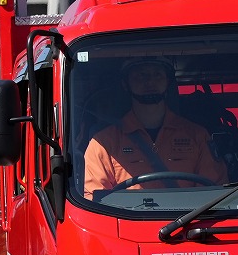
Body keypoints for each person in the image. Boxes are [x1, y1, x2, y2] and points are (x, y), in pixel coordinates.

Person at [82, 57, 227, 198]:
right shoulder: (103, 142)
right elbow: (95, 200)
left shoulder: (198, 136)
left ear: (168, 82)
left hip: (188, 221)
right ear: (125, 84)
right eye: (141, 75)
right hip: (127, 222)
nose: (150, 82)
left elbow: (214, 193)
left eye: (157, 74)